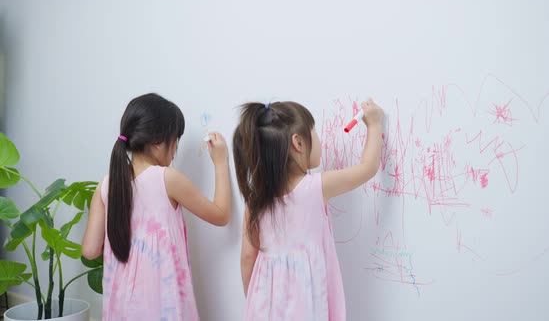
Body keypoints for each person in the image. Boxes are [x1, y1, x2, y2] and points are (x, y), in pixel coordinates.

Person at [82, 93, 231, 320]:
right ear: (157, 142)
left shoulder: (105, 185)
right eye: (176, 140)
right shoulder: (167, 178)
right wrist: (221, 163)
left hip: (121, 306)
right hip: (163, 306)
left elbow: (90, 251)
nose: (175, 150)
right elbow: (221, 215)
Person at [233, 99, 383, 320]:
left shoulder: (256, 200)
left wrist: (255, 300)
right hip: (306, 301)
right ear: (299, 143)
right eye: (315, 132)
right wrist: (375, 124)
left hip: (264, 305)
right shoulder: (315, 187)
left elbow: (247, 257)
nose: (320, 141)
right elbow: (367, 168)